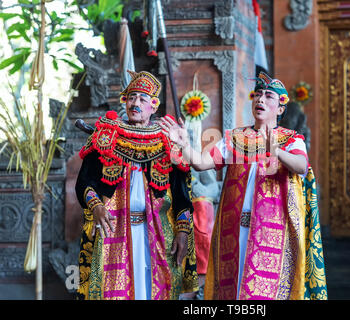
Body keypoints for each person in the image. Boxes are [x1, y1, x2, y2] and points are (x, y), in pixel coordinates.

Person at [159, 71, 327, 300]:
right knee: (234, 291)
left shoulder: (291, 139)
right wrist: (185, 144)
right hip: (235, 229)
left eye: (269, 96)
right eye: (257, 95)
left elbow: (301, 166)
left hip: (273, 230)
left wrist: (275, 150)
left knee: (264, 292)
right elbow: (200, 164)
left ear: (280, 108)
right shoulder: (234, 138)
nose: (260, 99)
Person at [75, 70, 198, 300]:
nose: (135, 103)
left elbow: (183, 195)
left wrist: (182, 231)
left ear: (153, 105)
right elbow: (84, 182)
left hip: (158, 232)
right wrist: (96, 206)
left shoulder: (167, 140)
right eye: (131, 98)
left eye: (142, 99)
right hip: (113, 231)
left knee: (154, 290)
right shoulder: (107, 135)